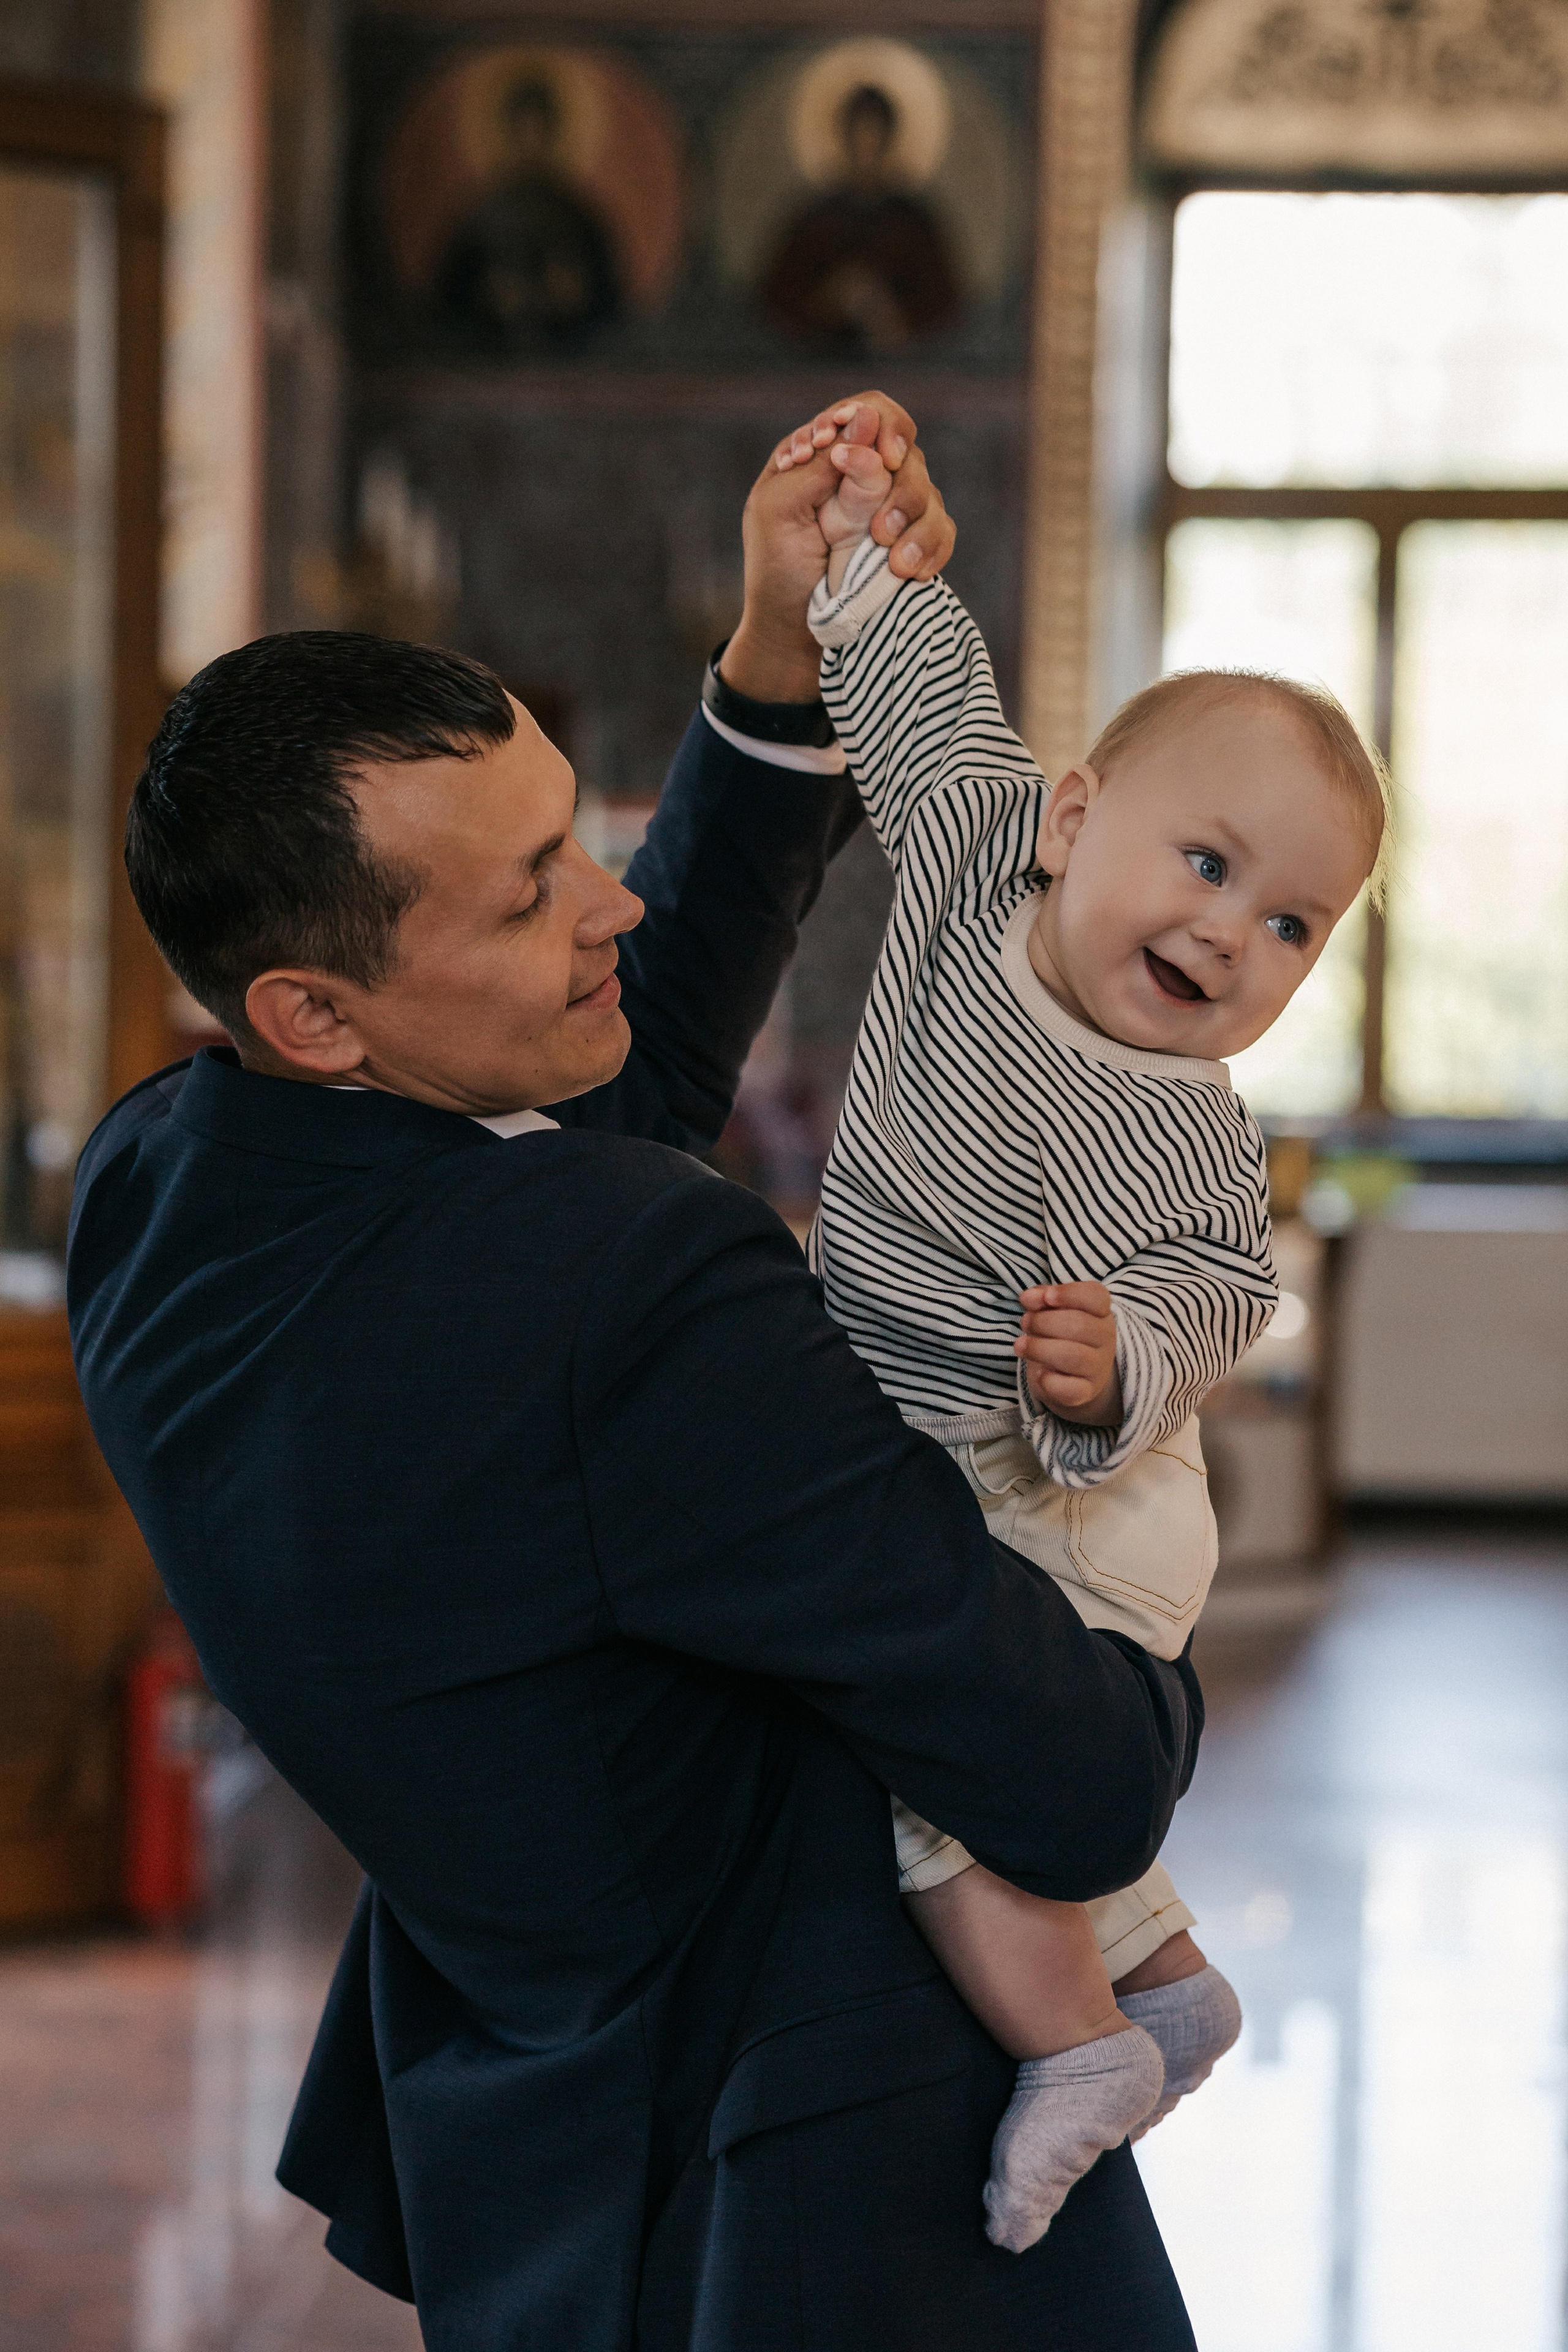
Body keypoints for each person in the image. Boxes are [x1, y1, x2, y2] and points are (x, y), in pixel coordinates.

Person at [67, 393, 1204, 2351]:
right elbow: (1070, 1767)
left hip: (546, 2130)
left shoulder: (168, 1180)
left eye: (566, 823)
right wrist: (1145, 1492)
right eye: (530, 890)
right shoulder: (627, 1282)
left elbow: (606, 1090)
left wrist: (777, 663)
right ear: (316, 1010)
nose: (607, 895)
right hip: (826, 2174)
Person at [769, 401, 1387, 2252]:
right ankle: (1168, 1977)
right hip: (928, 1436)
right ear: (1072, 817)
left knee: (919, 1762)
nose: (1231, 938)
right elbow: (920, 684)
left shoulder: (1187, 1121)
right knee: (950, 1732)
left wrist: (1124, 1348)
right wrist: (861, 531)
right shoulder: (971, 855)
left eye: (1291, 923)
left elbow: (1227, 1283)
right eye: (1207, 866)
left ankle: (1076, 2051)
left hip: (1062, 1500)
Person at [760, 81, 962, 351]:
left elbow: (944, 308)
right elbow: (776, 304)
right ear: (844, 138)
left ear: (888, 140)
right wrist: (830, 299)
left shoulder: (914, 221)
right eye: (858, 136)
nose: (865, 148)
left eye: (874, 136)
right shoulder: (815, 218)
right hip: (820, 370)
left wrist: (886, 313)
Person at [436, 75, 618, 353]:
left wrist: (575, 296)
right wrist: (488, 295)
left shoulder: (577, 214)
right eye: (523, 131)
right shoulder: (482, 214)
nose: (531, 143)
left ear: (554, 135)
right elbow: (449, 299)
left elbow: (609, 302)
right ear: (508, 133)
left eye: (540, 132)